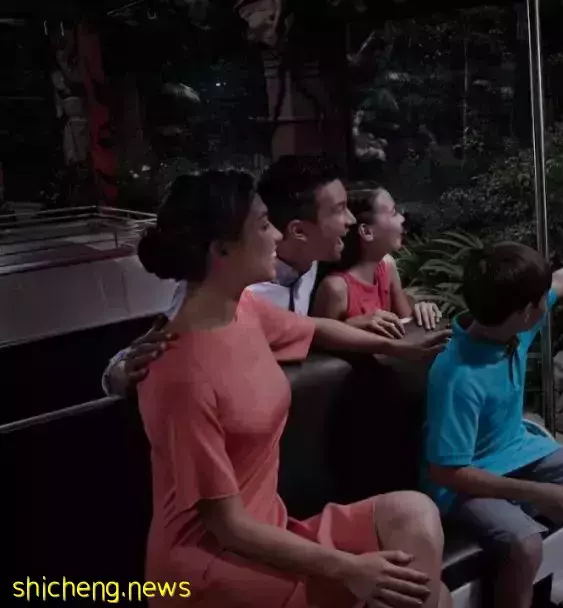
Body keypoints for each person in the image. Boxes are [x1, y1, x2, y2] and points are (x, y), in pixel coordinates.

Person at [136, 169, 452, 607]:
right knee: (434, 596)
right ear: (221, 248)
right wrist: (350, 568)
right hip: (211, 565)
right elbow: (228, 527)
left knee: (415, 517)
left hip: (271, 528)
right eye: (264, 224)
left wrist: (395, 347)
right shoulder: (180, 374)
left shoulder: (244, 310)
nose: (277, 235)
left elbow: (314, 328)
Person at [421, 241, 563, 608]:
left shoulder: (511, 330)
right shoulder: (456, 376)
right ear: (526, 312)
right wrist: (537, 493)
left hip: (518, 449)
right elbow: (446, 471)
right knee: (524, 545)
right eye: (541, 300)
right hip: (466, 480)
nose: (548, 302)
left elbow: (560, 282)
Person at [101, 156, 447, 397]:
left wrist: (410, 313)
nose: (352, 221)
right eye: (340, 210)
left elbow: (309, 326)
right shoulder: (231, 289)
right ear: (299, 230)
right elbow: (153, 351)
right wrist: (120, 373)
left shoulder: (317, 259)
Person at [312, 185, 442, 338]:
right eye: (393, 213)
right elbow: (318, 342)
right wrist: (351, 326)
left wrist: (421, 312)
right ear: (367, 232)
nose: (402, 219)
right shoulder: (336, 289)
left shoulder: (387, 266)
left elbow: (407, 326)